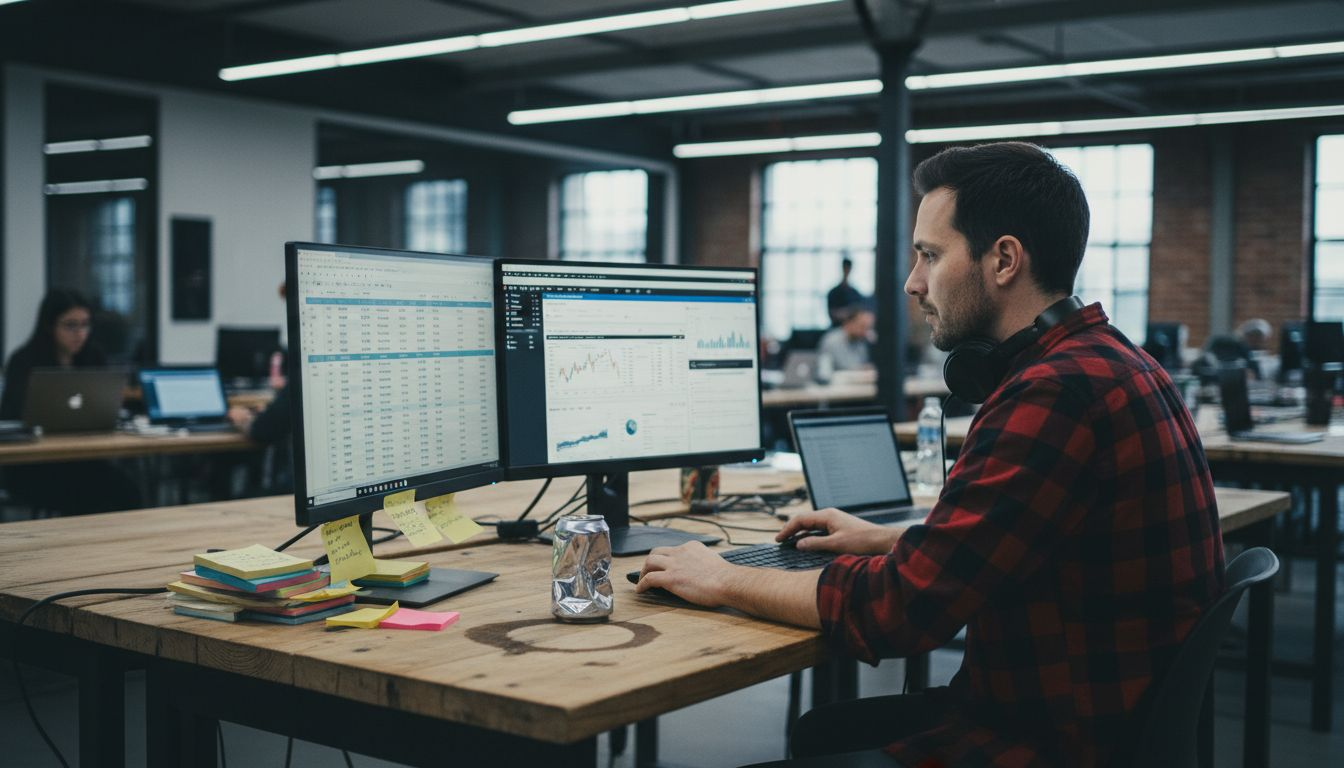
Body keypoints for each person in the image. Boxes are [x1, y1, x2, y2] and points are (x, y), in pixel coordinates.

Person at [635, 142, 1224, 767]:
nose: (913, 282)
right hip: (1091, 716)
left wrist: (723, 576)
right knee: (822, 734)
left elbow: (901, 611)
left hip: (1048, 740)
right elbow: (1038, 538)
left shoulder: (1051, 393)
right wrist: (892, 537)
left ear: (1003, 260)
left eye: (930, 255)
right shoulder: (1111, 360)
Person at [1, 289, 142, 514]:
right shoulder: (24, 360)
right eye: (70, 325)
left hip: (84, 458)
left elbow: (105, 406)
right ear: (49, 325)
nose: (80, 333)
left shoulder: (94, 357)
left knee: (129, 492)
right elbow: (13, 414)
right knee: (87, 497)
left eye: (85, 324)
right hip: (35, 466)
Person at [816, 304, 875, 377]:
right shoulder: (832, 341)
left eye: (868, 328)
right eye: (862, 326)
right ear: (848, 323)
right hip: (836, 386)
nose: (865, 332)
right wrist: (860, 369)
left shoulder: (860, 342)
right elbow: (825, 372)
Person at [827, 257, 866, 326]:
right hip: (837, 328)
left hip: (853, 330)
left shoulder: (855, 293)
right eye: (845, 268)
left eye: (848, 268)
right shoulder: (833, 292)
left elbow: (860, 313)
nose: (847, 270)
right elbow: (832, 314)